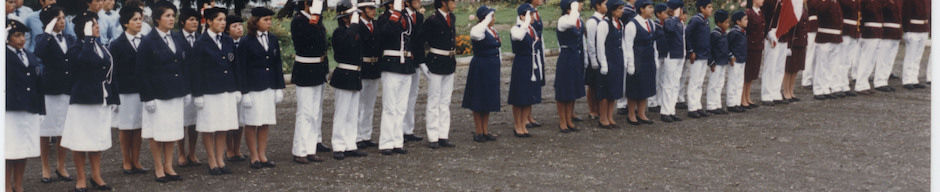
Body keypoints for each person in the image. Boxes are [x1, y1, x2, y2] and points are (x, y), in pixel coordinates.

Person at [60, 12, 118, 191]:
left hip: (100, 99)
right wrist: (88, 39)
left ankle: (96, 174)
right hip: (83, 101)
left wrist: (113, 98)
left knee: (96, 139)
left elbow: (109, 73)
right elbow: (85, 60)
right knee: (80, 140)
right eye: (93, 25)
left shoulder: (101, 47)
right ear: (84, 30)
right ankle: (81, 178)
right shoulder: (76, 48)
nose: (98, 27)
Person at [136, 0, 187, 182]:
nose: (171, 19)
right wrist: (147, 97)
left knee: (172, 130)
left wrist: (185, 89)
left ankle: (169, 166)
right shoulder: (148, 41)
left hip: (175, 92)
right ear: (157, 19)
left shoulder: (176, 38)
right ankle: (158, 168)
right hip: (157, 95)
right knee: (157, 133)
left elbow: (183, 65)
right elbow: (141, 72)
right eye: (167, 15)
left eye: (173, 15)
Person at [190, 7, 239, 175]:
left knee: (223, 126)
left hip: (226, 90)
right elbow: (195, 71)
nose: (223, 23)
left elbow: (235, 66)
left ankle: (220, 159)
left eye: (224, 19)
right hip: (209, 91)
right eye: (219, 20)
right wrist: (198, 94)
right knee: (209, 127)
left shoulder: (227, 40)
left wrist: (237, 88)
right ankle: (211, 161)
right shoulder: (200, 42)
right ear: (209, 22)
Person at [32, 6, 76, 183]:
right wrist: (48, 33)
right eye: (58, 19)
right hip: (50, 89)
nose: (63, 21)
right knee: (46, 130)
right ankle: (45, 167)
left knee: (62, 130)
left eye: (63, 18)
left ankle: (61, 165)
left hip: (67, 88)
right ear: (49, 22)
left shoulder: (70, 38)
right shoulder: (43, 38)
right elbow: (38, 53)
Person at [238, 7, 284, 168]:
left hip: (269, 86)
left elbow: (276, 64)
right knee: (252, 122)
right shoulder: (246, 41)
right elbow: (241, 68)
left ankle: (262, 155)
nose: (269, 23)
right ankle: (254, 156)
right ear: (255, 21)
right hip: (253, 88)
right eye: (265, 20)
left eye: (270, 20)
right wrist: (244, 92)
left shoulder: (272, 39)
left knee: (265, 121)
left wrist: (279, 87)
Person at [289, 0, 330, 164]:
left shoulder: (316, 20)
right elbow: (306, 40)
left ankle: (311, 148)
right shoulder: (299, 20)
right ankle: (299, 150)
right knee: (305, 112)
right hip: (305, 69)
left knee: (315, 112)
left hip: (318, 69)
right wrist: (314, 18)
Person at [5, 20, 44, 192]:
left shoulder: (29, 55)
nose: (22, 39)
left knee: (23, 150)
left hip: (29, 107)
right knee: (9, 151)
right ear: (7, 38)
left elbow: (38, 83)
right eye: (17, 35)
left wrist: (41, 108)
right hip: (11, 110)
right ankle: (5, 186)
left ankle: (18, 185)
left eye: (23, 35)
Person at [109, 5, 148, 175]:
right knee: (126, 128)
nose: (139, 22)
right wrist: (114, 96)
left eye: (140, 19)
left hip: (141, 91)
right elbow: (113, 72)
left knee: (138, 126)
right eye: (135, 19)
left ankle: (136, 160)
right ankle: (126, 160)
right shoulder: (116, 44)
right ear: (126, 23)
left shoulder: (146, 41)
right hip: (124, 92)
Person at [330, 0, 370, 160]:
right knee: (342, 112)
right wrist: (353, 25)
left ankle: (350, 143)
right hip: (344, 73)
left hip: (355, 74)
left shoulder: (355, 31)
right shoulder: (340, 32)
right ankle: (338, 145)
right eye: (353, 16)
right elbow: (347, 44)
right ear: (345, 18)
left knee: (353, 112)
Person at [416, 0, 459, 146]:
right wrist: (421, 62)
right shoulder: (432, 20)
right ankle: (433, 136)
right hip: (435, 62)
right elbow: (419, 41)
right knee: (434, 100)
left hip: (449, 62)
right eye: (452, 1)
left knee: (445, 100)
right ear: (443, 2)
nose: (455, 3)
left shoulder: (451, 17)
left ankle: (443, 135)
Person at [377, 0, 414, 155]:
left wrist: (401, 14)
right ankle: (386, 142)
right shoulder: (384, 18)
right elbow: (388, 33)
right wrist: (396, 15)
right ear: (390, 4)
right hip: (391, 64)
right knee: (390, 106)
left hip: (406, 64)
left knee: (401, 107)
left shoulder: (407, 17)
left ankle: (397, 141)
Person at [463, 5, 500, 142]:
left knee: (488, 98)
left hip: (491, 67)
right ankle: (478, 131)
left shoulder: (492, 30)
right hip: (481, 66)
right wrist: (485, 20)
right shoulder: (478, 29)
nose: (493, 19)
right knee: (479, 98)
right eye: (491, 16)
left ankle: (485, 130)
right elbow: (476, 34)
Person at [509, 4, 543, 136]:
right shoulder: (516, 29)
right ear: (522, 16)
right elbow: (518, 37)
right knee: (519, 95)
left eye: (533, 14)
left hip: (532, 63)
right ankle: (517, 125)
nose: (533, 17)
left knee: (529, 95)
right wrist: (525, 23)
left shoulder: (531, 30)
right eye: (530, 14)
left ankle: (523, 123)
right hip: (521, 62)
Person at [623, 0, 657, 125]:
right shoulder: (632, 24)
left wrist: (655, 59)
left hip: (649, 58)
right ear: (641, 9)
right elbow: (628, 45)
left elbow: (654, 43)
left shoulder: (651, 23)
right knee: (634, 87)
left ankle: (642, 113)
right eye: (649, 7)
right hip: (637, 58)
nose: (652, 10)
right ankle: (631, 114)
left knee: (646, 86)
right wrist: (630, 64)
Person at [176, 7, 202, 168]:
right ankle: (180, 152)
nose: (194, 22)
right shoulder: (175, 38)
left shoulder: (201, 39)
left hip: (197, 86)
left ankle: (192, 152)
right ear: (182, 22)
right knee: (181, 121)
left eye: (196, 20)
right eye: (191, 19)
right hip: (181, 85)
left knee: (194, 122)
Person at [554, 0, 585, 133]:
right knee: (563, 91)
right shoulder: (563, 20)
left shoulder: (578, 19)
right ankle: (562, 121)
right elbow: (572, 22)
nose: (580, 6)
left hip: (576, 56)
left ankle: (569, 119)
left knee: (572, 90)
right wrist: (573, 8)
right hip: (566, 57)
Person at [356, 0, 382, 150]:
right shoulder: (358, 26)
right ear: (362, 10)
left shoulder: (376, 25)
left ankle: (366, 134)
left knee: (369, 104)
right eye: (370, 8)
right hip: (363, 66)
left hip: (374, 66)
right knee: (359, 104)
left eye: (374, 8)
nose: (373, 11)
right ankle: (357, 136)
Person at [595, 0, 624, 128]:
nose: (622, 11)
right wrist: (603, 63)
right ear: (613, 10)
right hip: (608, 60)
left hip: (617, 59)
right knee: (605, 90)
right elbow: (600, 45)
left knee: (614, 90)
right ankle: (603, 117)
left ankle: (610, 116)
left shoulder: (620, 23)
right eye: (619, 9)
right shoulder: (604, 24)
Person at [224, 14, 248, 162]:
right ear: (227, 30)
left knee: (241, 120)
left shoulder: (245, 43)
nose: (239, 28)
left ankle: (237, 148)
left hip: (243, 85)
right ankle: (229, 149)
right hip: (229, 86)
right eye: (234, 26)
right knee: (229, 119)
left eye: (240, 25)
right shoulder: (225, 43)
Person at [684, 0, 712, 118]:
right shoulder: (695, 20)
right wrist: (691, 51)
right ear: (702, 8)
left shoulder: (706, 21)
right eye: (709, 7)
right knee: (694, 81)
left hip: (704, 55)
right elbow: (687, 35)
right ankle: (692, 107)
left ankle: (698, 105)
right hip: (697, 55)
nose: (711, 9)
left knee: (700, 82)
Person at [402, 0, 425, 143]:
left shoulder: (419, 17)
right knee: (402, 96)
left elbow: (420, 41)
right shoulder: (402, 16)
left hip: (415, 61)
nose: (419, 1)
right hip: (404, 60)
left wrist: (421, 61)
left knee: (412, 95)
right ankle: (400, 129)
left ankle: (408, 129)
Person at [658, 0, 685, 122]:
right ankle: (665, 111)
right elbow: (669, 29)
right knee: (669, 84)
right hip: (671, 55)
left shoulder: (680, 22)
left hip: (679, 54)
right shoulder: (669, 21)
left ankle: (671, 110)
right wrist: (675, 16)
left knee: (675, 84)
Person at [812, 0, 843, 100]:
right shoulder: (823, 2)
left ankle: (826, 87)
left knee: (831, 65)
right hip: (824, 36)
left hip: (835, 36)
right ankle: (818, 89)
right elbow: (820, 10)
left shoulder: (835, 2)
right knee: (821, 64)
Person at [584, 0, 606, 121]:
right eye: (605, 4)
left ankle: (599, 108)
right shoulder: (593, 22)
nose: (607, 6)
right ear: (598, 6)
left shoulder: (605, 20)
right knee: (592, 84)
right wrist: (593, 59)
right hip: (595, 56)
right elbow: (591, 42)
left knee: (601, 83)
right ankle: (592, 109)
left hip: (603, 55)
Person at [705, 9, 730, 115]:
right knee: (713, 84)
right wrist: (711, 61)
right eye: (726, 22)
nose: (728, 24)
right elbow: (709, 48)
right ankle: (711, 105)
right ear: (719, 23)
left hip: (723, 62)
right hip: (716, 62)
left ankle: (717, 104)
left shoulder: (723, 34)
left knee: (720, 83)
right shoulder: (714, 34)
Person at [854, 0, 882, 95]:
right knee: (866, 60)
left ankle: (864, 84)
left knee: (870, 61)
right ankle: (860, 85)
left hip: (876, 31)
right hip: (869, 31)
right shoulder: (864, 2)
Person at [873, 0, 901, 92]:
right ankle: (879, 82)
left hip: (896, 32)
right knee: (883, 58)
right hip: (886, 31)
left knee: (890, 59)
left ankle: (884, 79)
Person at [901, 0, 929, 89]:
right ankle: (907, 80)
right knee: (910, 56)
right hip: (913, 29)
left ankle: (914, 79)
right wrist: (906, 30)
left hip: (924, 29)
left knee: (918, 57)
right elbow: (905, 13)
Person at [782, 8, 808, 102]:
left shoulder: (803, 9)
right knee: (789, 68)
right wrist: (788, 44)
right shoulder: (791, 8)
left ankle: (791, 90)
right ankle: (786, 91)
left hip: (801, 41)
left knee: (796, 68)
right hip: (793, 41)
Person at [743, 0, 765, 107]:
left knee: (752, 73)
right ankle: (742, 98)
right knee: (747, 73)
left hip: (758, 45)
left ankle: (748, 96)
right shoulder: (749, 12)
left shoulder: (760, 12)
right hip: (750, 46)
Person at [726, 11, 748, 113]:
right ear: (738, 21)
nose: (747, 21)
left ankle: (737, 102)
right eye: (745, 19)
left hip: (742, 59)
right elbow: (727, 45)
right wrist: (730, 55)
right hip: (735, 60)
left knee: (739, 82)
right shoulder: (734, 32)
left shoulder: (743, 32)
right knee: (733, 81)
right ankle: (731, 103)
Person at [801, 0, 819, 88]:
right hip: (813, 25)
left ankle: (815, 78)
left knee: (818, 55)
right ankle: (807, 79)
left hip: (824, 25)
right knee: (811, 54)